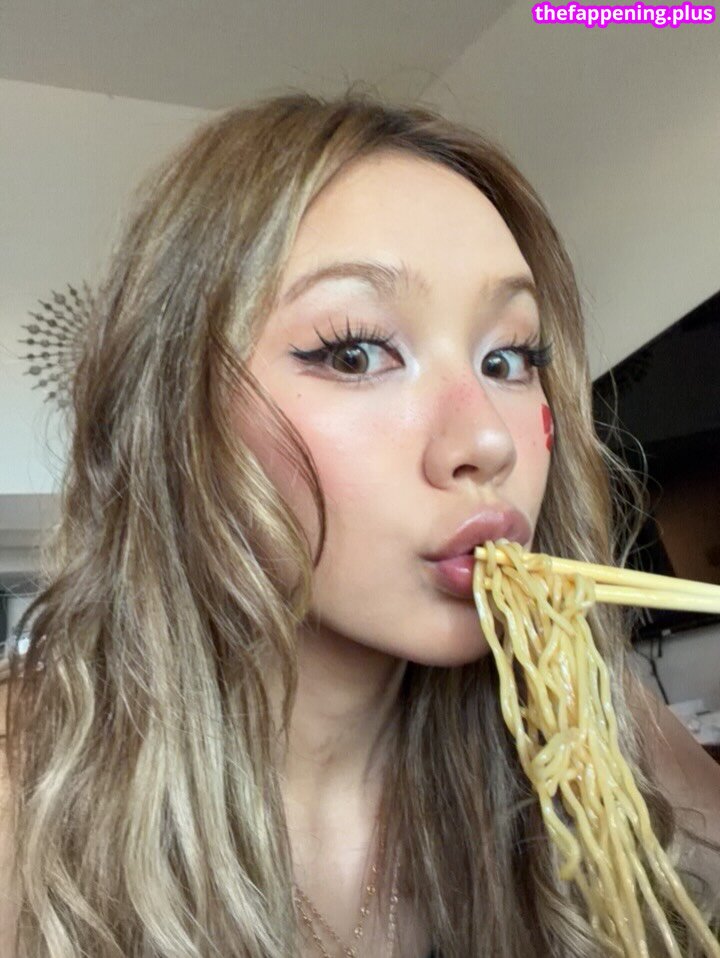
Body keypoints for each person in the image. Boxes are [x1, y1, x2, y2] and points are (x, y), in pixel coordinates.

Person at [1, 87, 719, 958]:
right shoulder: (24, 787)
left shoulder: (595, 725)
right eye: (354, 352)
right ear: (174, 415)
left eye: (508, 358)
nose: (487, 440)